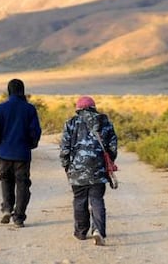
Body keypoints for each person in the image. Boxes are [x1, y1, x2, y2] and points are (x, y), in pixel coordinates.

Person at [59, 95, 118, 246]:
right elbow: (112, 147)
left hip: (77, 169)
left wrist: (66, 165)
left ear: (78, 109)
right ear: (93, 107)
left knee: (79, 200)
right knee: (97, 200)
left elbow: (65, 148)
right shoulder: (105, 122)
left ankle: (81, 232)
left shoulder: (71, 123)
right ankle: (98, 230)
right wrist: (108, 161)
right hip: (98, 169)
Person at [0, 78, 42, 228]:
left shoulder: (1, 108)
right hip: (22, 153)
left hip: (5, 152)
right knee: (22, 184)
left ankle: (7, 208)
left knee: (6, 180)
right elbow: (35, 131)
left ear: (9, 90)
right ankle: (19, 217)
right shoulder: (29, 109)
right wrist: (32, 144)